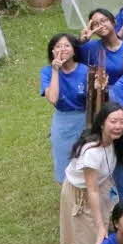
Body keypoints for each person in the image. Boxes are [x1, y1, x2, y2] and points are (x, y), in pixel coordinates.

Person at [59, 102, 123, 244]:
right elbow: (92, 190)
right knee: (92, 235)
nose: (118, 126)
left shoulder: (112, 141)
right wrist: (99, 227)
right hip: (83, 192)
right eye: (113, 121)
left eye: (122, 122)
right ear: (102, 123)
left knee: (109, 221)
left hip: (102, 184)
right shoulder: (92, 153)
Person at [41, 33, 89, 182]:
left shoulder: (86, 71)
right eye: (58, 46)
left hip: (84, 118)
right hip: (62, 121)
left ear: (74, 51)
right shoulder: (47, 72)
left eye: (67, 45)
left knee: (86, 161)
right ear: (52, 51)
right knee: (63, 162)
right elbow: (53, 98)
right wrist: (56, 70)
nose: (62, 49)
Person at [79, 8, 123, 85]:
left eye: (103, 21)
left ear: (113, 22)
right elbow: (70, 57)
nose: (100, 26)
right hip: (98, 91)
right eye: (95, 24)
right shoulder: (89, 47)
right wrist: (82, 41)